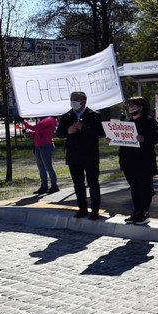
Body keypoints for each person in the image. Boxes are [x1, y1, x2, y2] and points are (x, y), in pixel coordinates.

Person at [55, 91, 104, 219]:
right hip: (74, 155)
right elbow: (59, 133)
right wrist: (68, 131)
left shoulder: (94, 115)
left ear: (84, 101)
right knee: (78, 184)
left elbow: (100, 132)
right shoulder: (67, 115)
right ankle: (82, 208)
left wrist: (84, 128)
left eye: (76, 100)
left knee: (93, 183)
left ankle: (95, 210)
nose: (73, 102)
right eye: (71, 100)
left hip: (90, 155)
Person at [114, 97, 158, 225]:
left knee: (144, 188)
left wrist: (144, 138)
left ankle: (144, 212)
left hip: (143, 161)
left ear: (141, 107)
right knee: (135, 188)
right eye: (129, 105)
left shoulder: (149, 121)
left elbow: (156, 138)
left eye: (133, 105)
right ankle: (136, 211)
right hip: (128, 160)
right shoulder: (127, 120)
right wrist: (113, 139)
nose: (130, 107)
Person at [22, 115, 59, 195]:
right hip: (39, 145)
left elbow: (35, 128)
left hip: (45, 145)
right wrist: (29, 132)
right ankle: (44, 186)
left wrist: (24, 121)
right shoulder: (43, 120)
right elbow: (38, 132)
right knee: (41, 167)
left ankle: (54, 186)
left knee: (48, 167)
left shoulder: (49, 119)